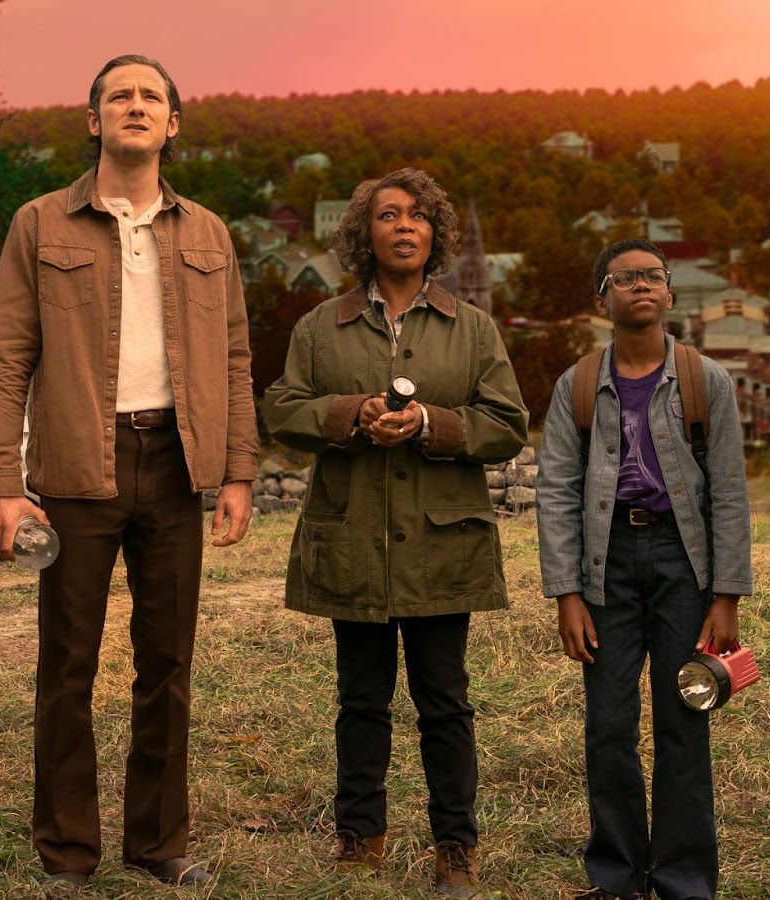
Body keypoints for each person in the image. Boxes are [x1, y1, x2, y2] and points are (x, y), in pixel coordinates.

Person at [0, 54, 257, 896]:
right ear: (92, 120)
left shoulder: (208, 233)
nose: (135, 106)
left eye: (152, 98)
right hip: (72, 472)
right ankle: (67, 854)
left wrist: (237, 472)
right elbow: (2, 362)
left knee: (167, 663)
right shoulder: (39, 224)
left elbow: (236, 360)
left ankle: (158, 845)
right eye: (118, 96)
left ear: (173, 125)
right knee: (68, 665)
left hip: (175, 467)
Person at [262, 168, 528, 899]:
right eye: (388, 215)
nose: (404, 226)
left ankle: (455, 846)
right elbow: (282, 410)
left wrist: (429, 424)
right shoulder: (322, 326)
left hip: (445, 543)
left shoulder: (473, 328)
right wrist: (350, 413)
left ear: (436, 234)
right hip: (356, 541)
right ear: (365, 233)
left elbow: (508, 425)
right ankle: (360, 835)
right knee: (361, 698)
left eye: (418, 216)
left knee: (445, 700)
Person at [535, 239, 752, 900]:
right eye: (624, 278)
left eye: (653, 276)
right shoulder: (576, 384)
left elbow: (729, 491)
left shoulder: (702, 379)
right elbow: (555, 490)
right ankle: (617, 877)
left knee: (684, 721)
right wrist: (567, 592)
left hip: (682, 563)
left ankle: (685, 880)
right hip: (607, 566)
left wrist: (726, 595)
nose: (641, 286)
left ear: (668, 292)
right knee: (608, 725)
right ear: (602, 296)